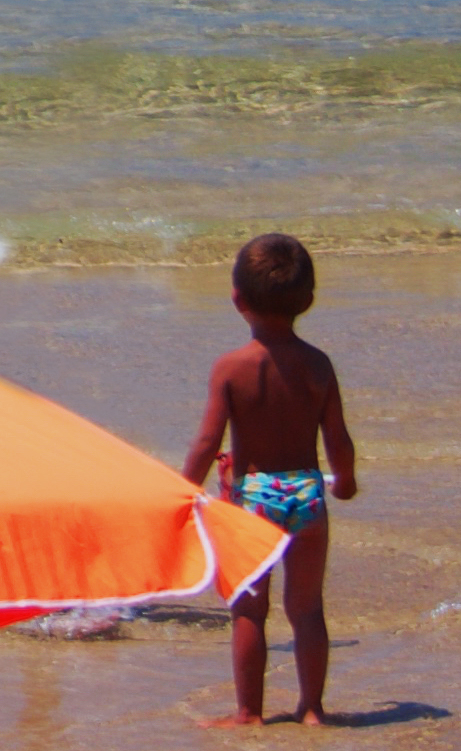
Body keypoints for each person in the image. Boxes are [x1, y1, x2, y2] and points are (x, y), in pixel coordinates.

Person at [181, 228, 358, 724]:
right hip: (305, 491)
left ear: (237, 298)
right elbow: (337, 438)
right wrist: (343, 480)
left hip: (254, 497)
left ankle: (248, 714)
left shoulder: (232, 368)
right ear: (308, 299)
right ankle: (312, 708)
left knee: (249, 612)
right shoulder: (318, 365)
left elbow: (207, 442)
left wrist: (184, 490)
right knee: (306, 609)